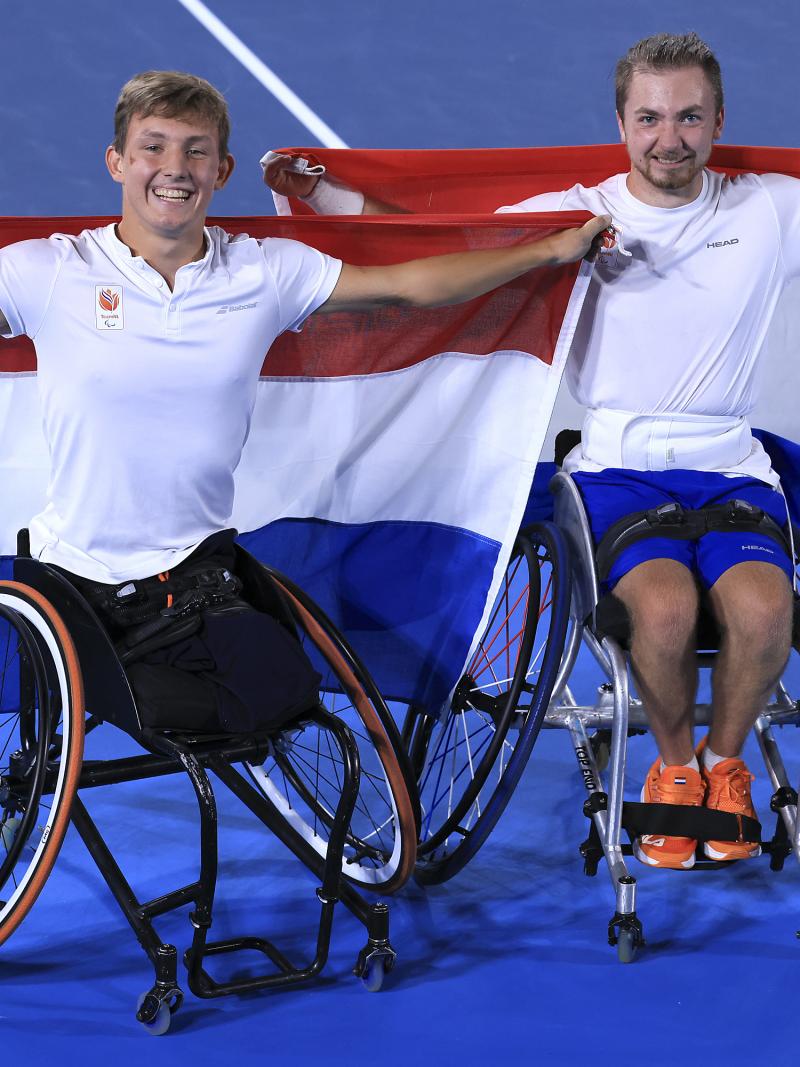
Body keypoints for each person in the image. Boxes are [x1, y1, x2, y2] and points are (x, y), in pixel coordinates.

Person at [264, 32, 800, 868]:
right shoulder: (578, 219)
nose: (671, 138)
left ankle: (724, 764)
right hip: (620, 469)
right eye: (651, 117)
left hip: (733, 465)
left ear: (719, 119)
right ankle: (672, 767)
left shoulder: (768, 209)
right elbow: (438, 247)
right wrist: (325, 193)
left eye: (690, 117)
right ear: (621, 123)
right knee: (663, 612)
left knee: (767, 610)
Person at [0, 70, 608, 736]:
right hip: (72, 582)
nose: (174, 168)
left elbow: (410, 287)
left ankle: (136, 694)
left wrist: (551, 248)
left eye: (195, 150)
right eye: (154, 146)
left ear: (222, 169)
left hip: (191, 577)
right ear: (117, 161)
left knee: (285, 693)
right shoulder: (49, 271)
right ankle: (129, 693)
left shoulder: (264, 272)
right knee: (160, 705)